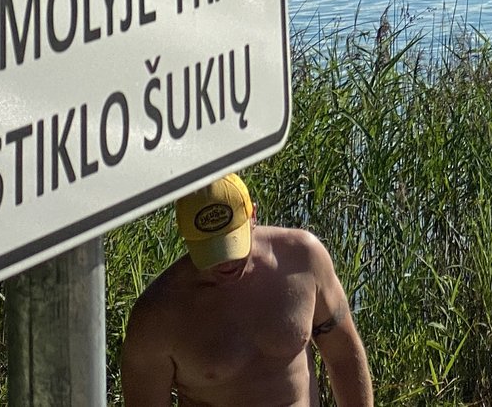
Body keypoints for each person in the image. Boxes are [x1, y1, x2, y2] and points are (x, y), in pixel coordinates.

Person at [120, 172, 374, 407]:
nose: (226, 263)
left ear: (253, 216)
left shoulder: (302, 260)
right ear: (185, 237)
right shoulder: (158, 315)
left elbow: (343, 356)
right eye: (212, 250)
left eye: (233, 244)